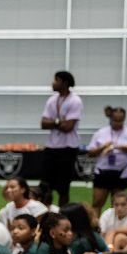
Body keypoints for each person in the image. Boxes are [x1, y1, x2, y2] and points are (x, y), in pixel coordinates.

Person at [39, 70, 82, 207]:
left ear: (64, 82)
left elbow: (68, 126)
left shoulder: (75, 100)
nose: (53, 83)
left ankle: (62, 213)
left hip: (68, 148)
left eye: (56, 80)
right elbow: (43, 124)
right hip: (51, 147)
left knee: (63, 187)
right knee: (45, 186)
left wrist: (53, 122)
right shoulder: (52, 100)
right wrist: (58, 122)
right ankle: (45, 212)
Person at [86, 106, 127, 212]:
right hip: (102, 172)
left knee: (117, 204)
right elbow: (90, 152)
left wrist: (116, 146)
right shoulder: (100, 133)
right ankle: (95, 227)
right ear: (110, 118)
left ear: (124, 119)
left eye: (120, 120)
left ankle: (115, 227)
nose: (118, 123)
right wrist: (103, 147)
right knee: (97, 203)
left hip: (121, 173)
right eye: (115, 120)